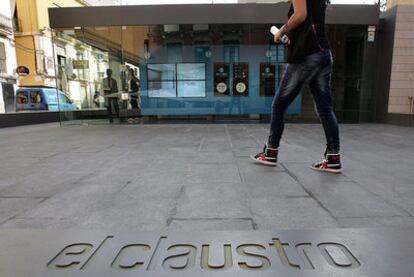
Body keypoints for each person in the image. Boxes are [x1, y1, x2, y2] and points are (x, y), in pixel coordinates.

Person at [251, 0, 341, 174]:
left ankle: (271, 151)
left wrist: (282, 31)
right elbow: (309, 23)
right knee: (325, 108)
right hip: (324, 55)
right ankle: (333, 157)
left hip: (307, 56)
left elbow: (300, 15)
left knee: (279, 104)